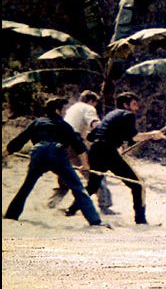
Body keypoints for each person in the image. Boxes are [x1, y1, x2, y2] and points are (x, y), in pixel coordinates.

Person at [3, 97, 107, 227]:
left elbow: (19, 141)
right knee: (77, 187)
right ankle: (95, 221)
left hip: (38, 152)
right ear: (58, 111)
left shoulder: (37, 122)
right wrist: (85, 165)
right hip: (57, 153)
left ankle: (11, 215)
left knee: (27, 186)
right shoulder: (64, 125)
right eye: (62, 109)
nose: (64, 112)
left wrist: (4, 153)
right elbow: (79, 146)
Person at [65, 91, 166, 224]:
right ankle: (141, 221)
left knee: (93, 186)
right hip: (108, 152)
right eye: (134, 104)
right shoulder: (128, 115)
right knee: (138, 184)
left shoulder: (111, 114)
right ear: (126, 105)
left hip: (96, 150)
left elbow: (92, 135)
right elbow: (134, 137)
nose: (137, 107)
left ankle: (71, 210)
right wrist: (152, 134)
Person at [47, 90, 115, 214]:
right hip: (74, 142)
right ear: (91, 101)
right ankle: (105, 205)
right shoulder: (88, 108)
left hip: (59, 142)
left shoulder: (72, 108)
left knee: (64, 177)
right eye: (95, 103)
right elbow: (95, 124)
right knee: (95, 174)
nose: (95, 106)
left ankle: (52, 203)